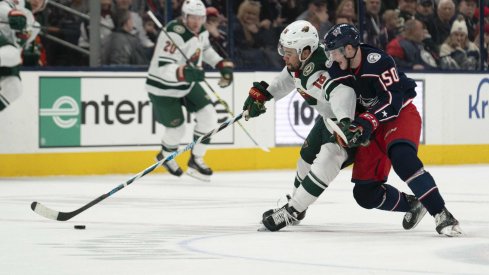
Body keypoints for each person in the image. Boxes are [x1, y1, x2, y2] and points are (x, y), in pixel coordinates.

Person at [323, 23, 462, 236]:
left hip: (399, 115)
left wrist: (366, 121)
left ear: (349, 49)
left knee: (403, 158)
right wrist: (348, 126)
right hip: (369, 123)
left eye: (335, 51)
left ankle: (441, 213)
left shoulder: (379, 62)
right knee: (365, 194)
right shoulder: (336, 67)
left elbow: (393, 101)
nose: (332, 57)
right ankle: (416, 203)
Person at [243, 20, 358, 232]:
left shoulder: (321, 70)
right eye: (283, 51)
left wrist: (345, 123)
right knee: (306, 157)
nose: (284, 56)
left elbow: (344, 92)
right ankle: (297, 204)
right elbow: (286, 79)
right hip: (330, 119)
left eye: (289, 52)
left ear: (306, 51)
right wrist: (265, 94)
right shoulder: (302, 63)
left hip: (351, 124)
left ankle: (293, 210)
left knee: (327, 159)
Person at [145, 0, 234, 182]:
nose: (196, 22)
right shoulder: (173, 34)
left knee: (209, 115)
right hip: (163, 87)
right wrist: (184, 72)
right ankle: (165, 155)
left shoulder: (201, 30)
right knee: (177, 129)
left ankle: (196, 159)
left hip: (186, 84)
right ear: (184, 16)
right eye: (192, 17)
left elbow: (205, 49)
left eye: (200, 18)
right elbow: (163, 67)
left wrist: (220, 63)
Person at [0, 2, 38, 111]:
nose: (38, 1)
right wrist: (11, 13)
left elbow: (19, 44)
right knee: (12, 54)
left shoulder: (35, 24)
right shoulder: (15, 3)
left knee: (14, 87)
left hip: (7, 51)